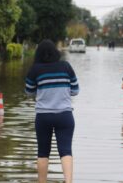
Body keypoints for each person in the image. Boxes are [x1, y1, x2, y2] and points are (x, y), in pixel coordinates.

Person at [25, 40, 79, 183]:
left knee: (43, 152)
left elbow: (29, 92)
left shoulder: (35, 69)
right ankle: (69, 181)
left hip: (43, 116)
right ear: (56, 52)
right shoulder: (66, 67)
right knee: (66, 150)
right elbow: (75, 90)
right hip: (65, 115)